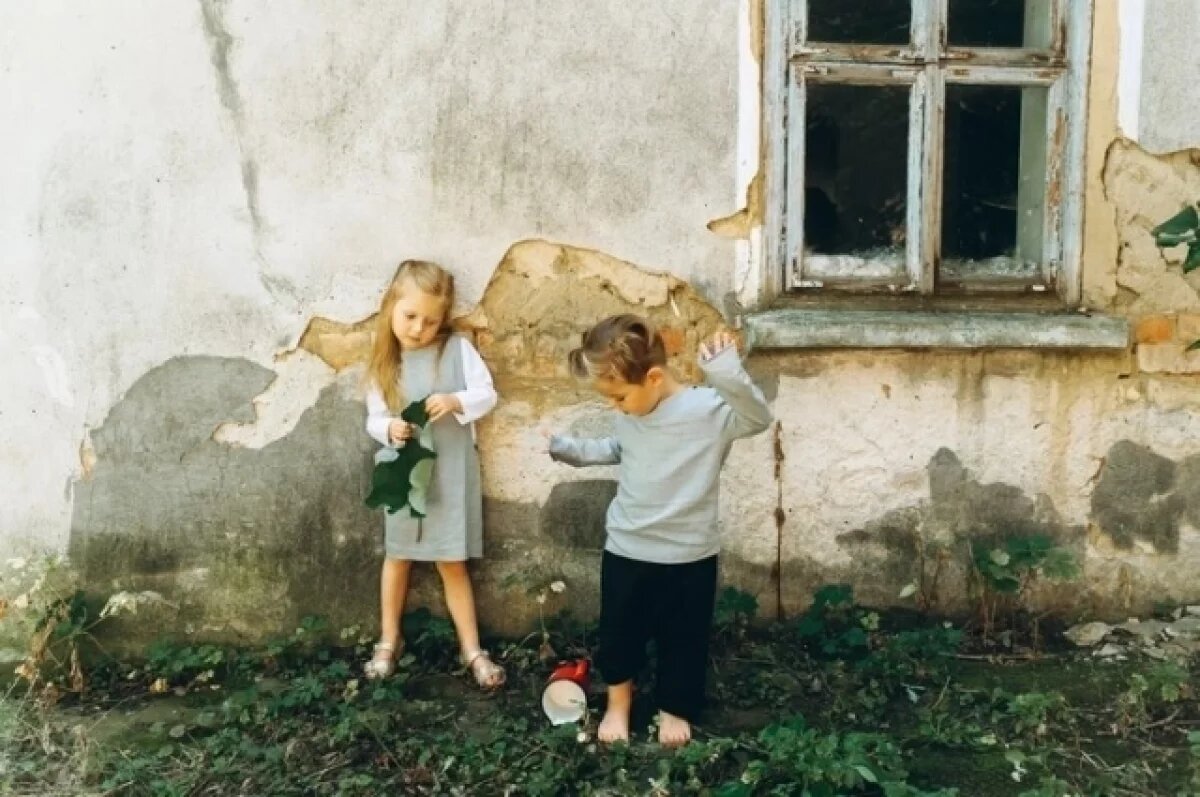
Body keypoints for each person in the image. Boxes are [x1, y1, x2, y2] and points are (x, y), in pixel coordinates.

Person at [547, 314, 772, 746]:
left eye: (619, 398)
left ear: (653, 377)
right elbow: (616, 448)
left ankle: (675, 708)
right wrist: (565, 448)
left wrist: (724, 370)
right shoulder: (632, 413)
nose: (616, 408)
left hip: (690, 556)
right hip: (628, 549)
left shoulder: (708, 410)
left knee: (683, 638)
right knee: (619, 634)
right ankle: (618, 704)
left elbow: (758, 418)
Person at [362, 260, 504, 690]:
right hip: (406, 474)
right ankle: (389, 639)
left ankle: (472, 648)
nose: (418, 328)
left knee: (452, 560)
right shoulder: (385, 362)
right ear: (390, 306)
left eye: (430, 320)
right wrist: (390, 428)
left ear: (443, 321)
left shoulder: (457, 349)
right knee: (398, 555)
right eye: (409, 316)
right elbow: (374, 416)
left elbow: (487, 394)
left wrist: (456, 401)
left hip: (449, 471)